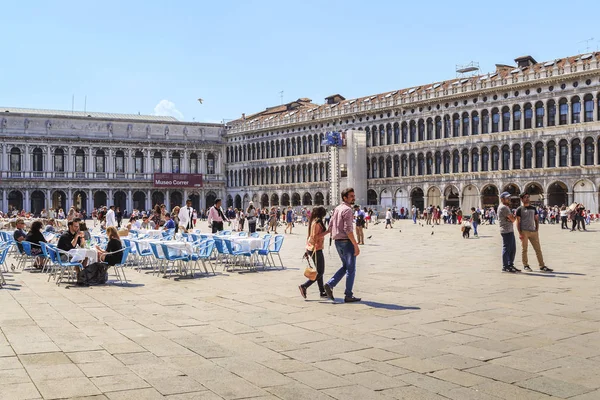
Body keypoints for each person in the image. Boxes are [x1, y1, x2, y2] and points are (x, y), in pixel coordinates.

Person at [322, 188, 361, 303]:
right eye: (351, 196)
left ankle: (330, 284)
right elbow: (348, 230)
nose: (353, 198)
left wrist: (320, 235)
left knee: (345, 266)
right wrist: (356, 245)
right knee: (351, 269)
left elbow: (330, 227)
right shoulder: (348, 210)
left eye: (354, 196)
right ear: (345, 197)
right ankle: (348, 295)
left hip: (337, 242)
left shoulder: (337, 209)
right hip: (346, 242)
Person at [516, 193, 552, 272]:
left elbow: (536, 218)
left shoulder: (533, 208)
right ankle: (525, 265)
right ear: (521, 199)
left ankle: (542, 266)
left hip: (533, 231)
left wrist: (537, 229)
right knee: (524, 249)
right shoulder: (519, 209)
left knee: (538, 249)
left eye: (528, 197)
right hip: (524, 231)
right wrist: (520, 233)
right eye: (525, 197)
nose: (527, 198)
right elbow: (518, 222)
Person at [299, 206, 328, 299]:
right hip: (315, 249)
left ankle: (322, 291)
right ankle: (304, 286)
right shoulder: (317, 223)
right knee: (320, 272)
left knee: (320, 271)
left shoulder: (313, 221)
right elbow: (315, 237)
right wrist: (327, 232)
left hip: (312, 248)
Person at [498, 192, 519, 273]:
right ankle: (505, 266)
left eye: (509, 198)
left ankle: (510, 265)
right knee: (507, 249)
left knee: (512, 249)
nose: (509, 199)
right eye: (507, 198)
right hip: (506, 230)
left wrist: (510, 218)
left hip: (508, 229)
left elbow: (510, 219)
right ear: (502, 199)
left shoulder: (505, 207)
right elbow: (513, 219)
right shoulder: (504, 207)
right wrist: (514, 216)